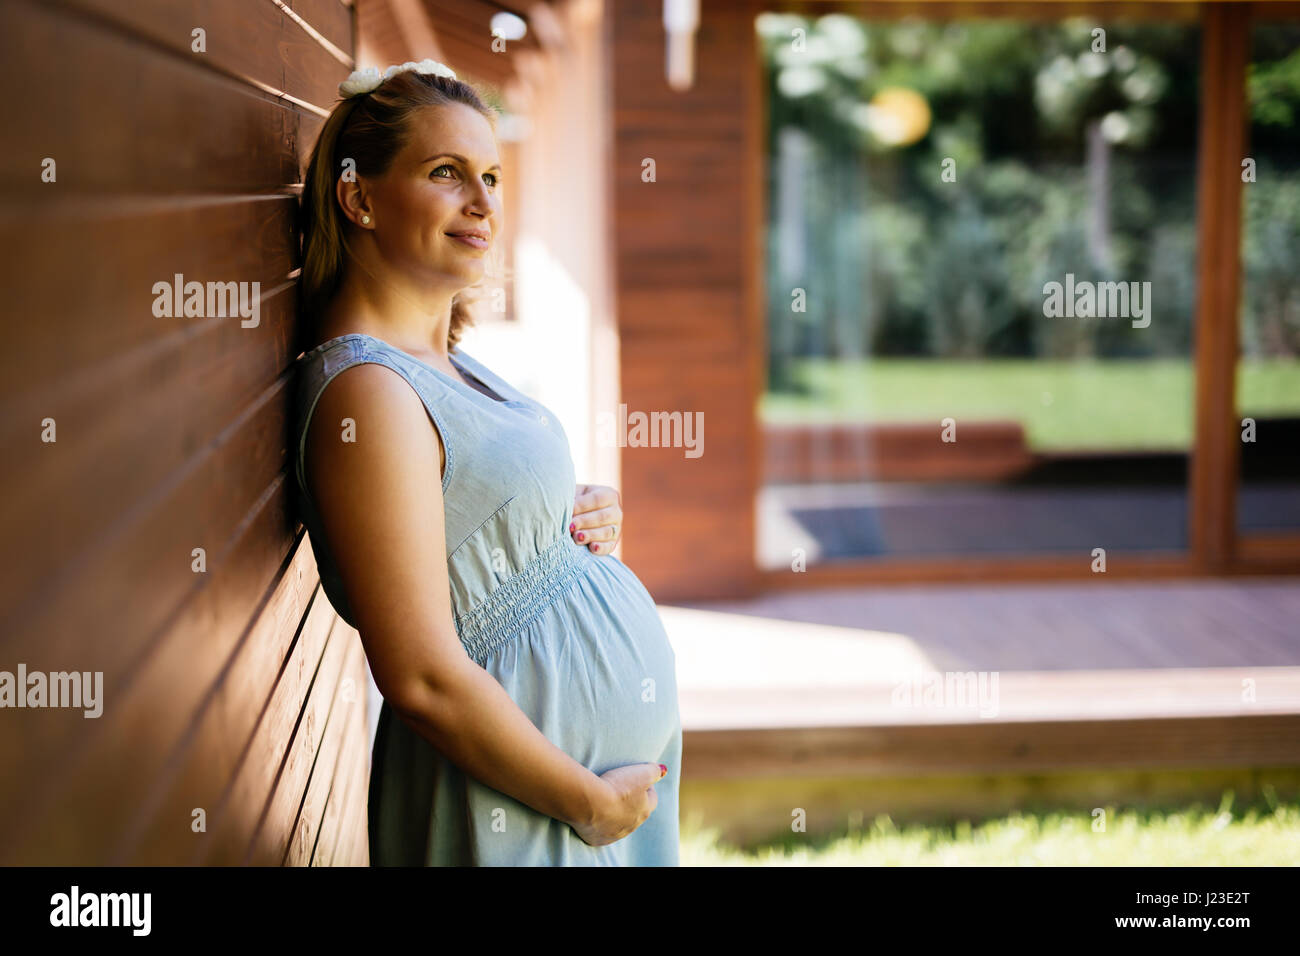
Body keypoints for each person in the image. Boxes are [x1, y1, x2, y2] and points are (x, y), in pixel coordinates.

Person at [291, 60, 681, 865]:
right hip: (520, 803)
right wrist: (590, 802)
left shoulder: (441, 365)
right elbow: (424, 677)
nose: (484, 203)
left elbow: (462, 515)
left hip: (566, 797)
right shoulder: (368, 393)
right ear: (359, 197)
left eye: (493, 176)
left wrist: (563, 518)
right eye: (446, 173)